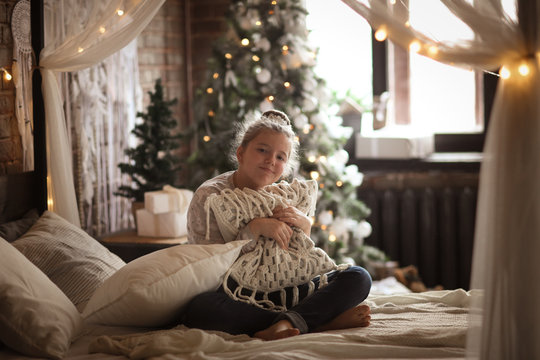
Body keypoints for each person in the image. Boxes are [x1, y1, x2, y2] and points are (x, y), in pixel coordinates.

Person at [182, 110, 372, 340]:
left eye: (281, 157)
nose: (271, 160)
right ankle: (314, 322)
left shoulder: (284, 196)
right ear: (241, 152)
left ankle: (289, 321)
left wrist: (305, 227)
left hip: (286, 287)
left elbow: (299, 260)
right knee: (200, 309)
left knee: (358, 276)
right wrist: (253, 230)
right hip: (239, 292)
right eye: (262, 150)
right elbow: (208, 264)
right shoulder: (211, 196)